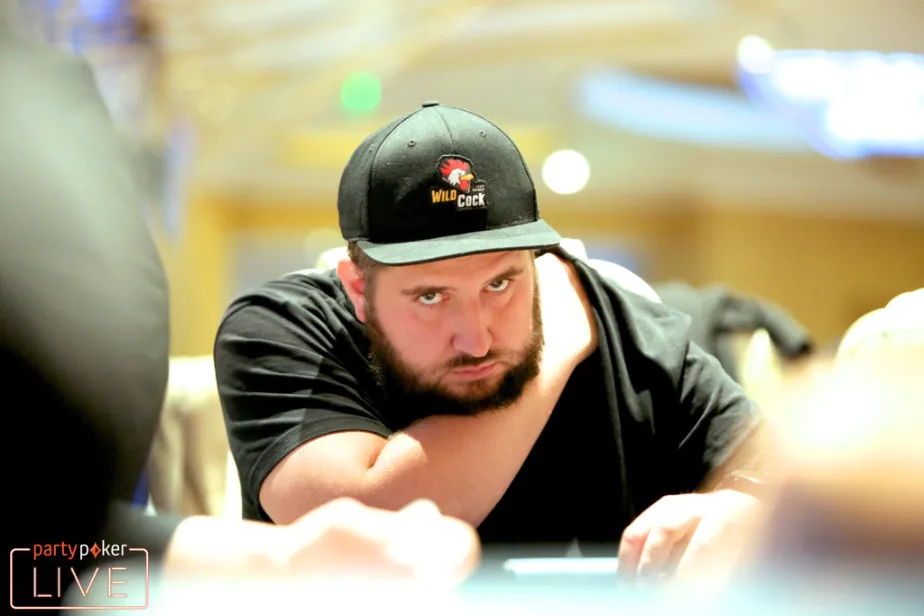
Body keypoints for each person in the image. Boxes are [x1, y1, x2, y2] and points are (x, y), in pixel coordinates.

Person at [1, 13, 477, 609]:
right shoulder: (275, 327)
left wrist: (280, 560)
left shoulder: (46, 94)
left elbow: (51, 551)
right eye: (430, 291)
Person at [214, 101, 770, 580]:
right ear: (359, 288)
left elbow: (783, 479)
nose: (476, 339)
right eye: (430, 296)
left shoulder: (627, 326)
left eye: (500, 284)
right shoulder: (283, 327)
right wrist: (559, 340)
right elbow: (360, 525)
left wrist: (745, 511)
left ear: (537, 262)